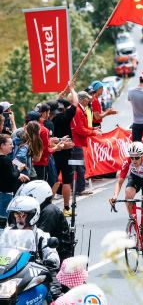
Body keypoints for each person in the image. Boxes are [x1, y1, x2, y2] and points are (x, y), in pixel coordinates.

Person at [109, 141, 143, 262]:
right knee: (128, 194)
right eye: (132, 157)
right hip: (135, 178)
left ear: (142, 155)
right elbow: (120, 181)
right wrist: (115, 195)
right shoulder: (127, 161)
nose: (134, 160)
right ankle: (133, 220)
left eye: (137, 157)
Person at [5, 196, 60, 298]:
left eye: (22, 215)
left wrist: (51, 259)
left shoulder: (41, 235)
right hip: (13, 273)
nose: (18, 218)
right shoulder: (7, 233)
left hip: (35, 273)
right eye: (16, 214)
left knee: (53, 293)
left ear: (32, 215)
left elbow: (52, 253)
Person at [16, 180, 73, 261]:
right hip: (42, 253)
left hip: (56, 258)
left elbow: (39, 236)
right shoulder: (38, 210)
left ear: (37, 195)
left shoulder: (49, 211)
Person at [51, 84, 78, 216]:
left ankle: (47, 207)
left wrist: (59, 97)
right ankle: (66, 208)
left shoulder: (50, 119)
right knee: (66, 181)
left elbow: (51, 106)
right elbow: (75, 103)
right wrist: (72, 89)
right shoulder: (66, 117)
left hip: (53, 152)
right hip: (66, 152)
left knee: (53, 181)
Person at [71, 91, 101, 197]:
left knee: (76, 166)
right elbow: (80, 129)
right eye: (87, 99)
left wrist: (93, 128)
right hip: (77, 143)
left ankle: (76, 187)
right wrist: (93, 132)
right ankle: (80, 189)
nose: (89, 100)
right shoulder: (78, 111)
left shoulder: (80, 110)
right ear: (83, 99)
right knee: (79, 166)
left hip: (77, 142)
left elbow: (83, 126)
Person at [0, 134, 18, 228]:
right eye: (10, 144)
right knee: (2, 220)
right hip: (5, 194)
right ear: (2, 145)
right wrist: (19, 170)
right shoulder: (6, 160)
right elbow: (12, 177)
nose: (13, 146)